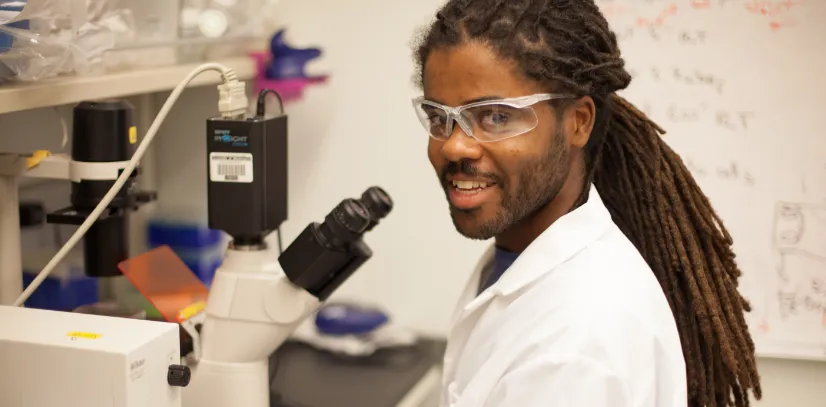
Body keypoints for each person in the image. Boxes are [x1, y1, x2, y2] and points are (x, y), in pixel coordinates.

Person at [410, 1, 760, 406]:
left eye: (495, 117)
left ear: (578, 121)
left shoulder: (580, 343)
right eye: (439, 117)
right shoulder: (516, 257)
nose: (453, 145)